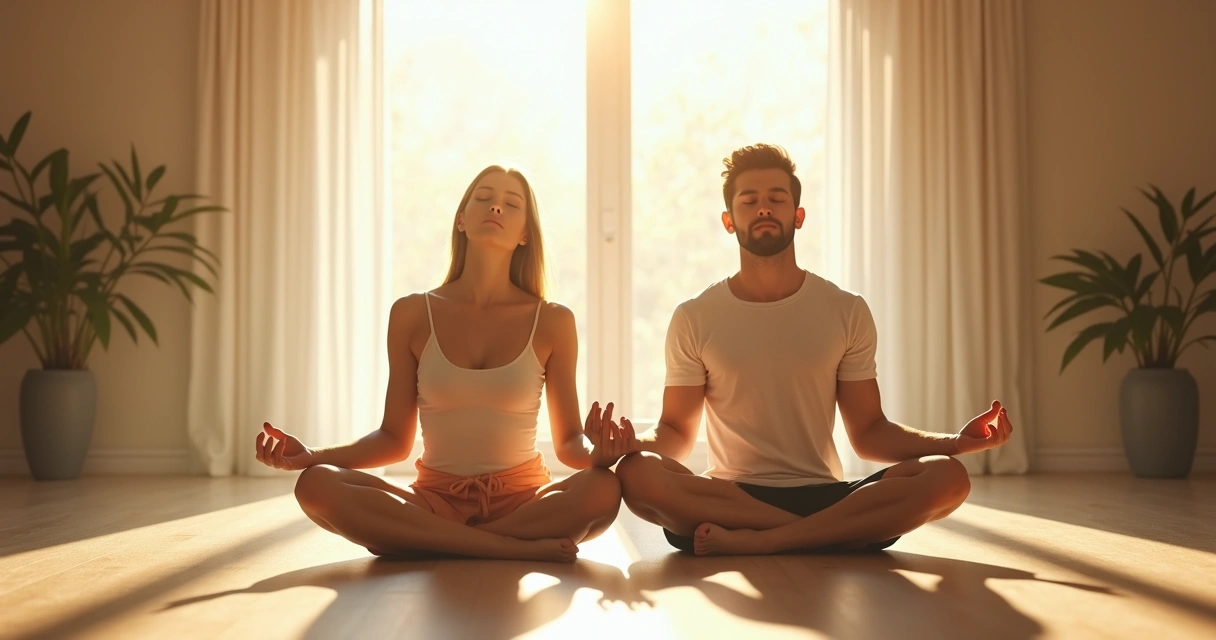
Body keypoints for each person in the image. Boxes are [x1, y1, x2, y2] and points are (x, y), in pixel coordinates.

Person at [614, 144, 1014, 556]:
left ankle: (768, 540)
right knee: (638, 473)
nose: (763, 208)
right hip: (730, 499)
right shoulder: (694, 316)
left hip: (824, 495)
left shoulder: (845, 309)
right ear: (729, 221)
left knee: (949, 476)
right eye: (749, 201)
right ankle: (827, 534)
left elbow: (869, 433)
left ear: (798, 216)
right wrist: (628, 444)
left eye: (777, 198)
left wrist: (956, 442)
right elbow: (677, 433)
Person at [255, 165, 633, 563]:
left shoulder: (554, 320)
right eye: (483, 198)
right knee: (315, 484)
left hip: (523, 503)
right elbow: (393, 440)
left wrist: (602, 452)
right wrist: (311, 455)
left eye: (511, 204)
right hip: (435, 501)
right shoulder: (411, 314)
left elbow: (570, 443)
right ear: (461, 219)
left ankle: (436, 542)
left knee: (603, 489)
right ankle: (503, 547)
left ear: (526, 233)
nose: (496, 207)